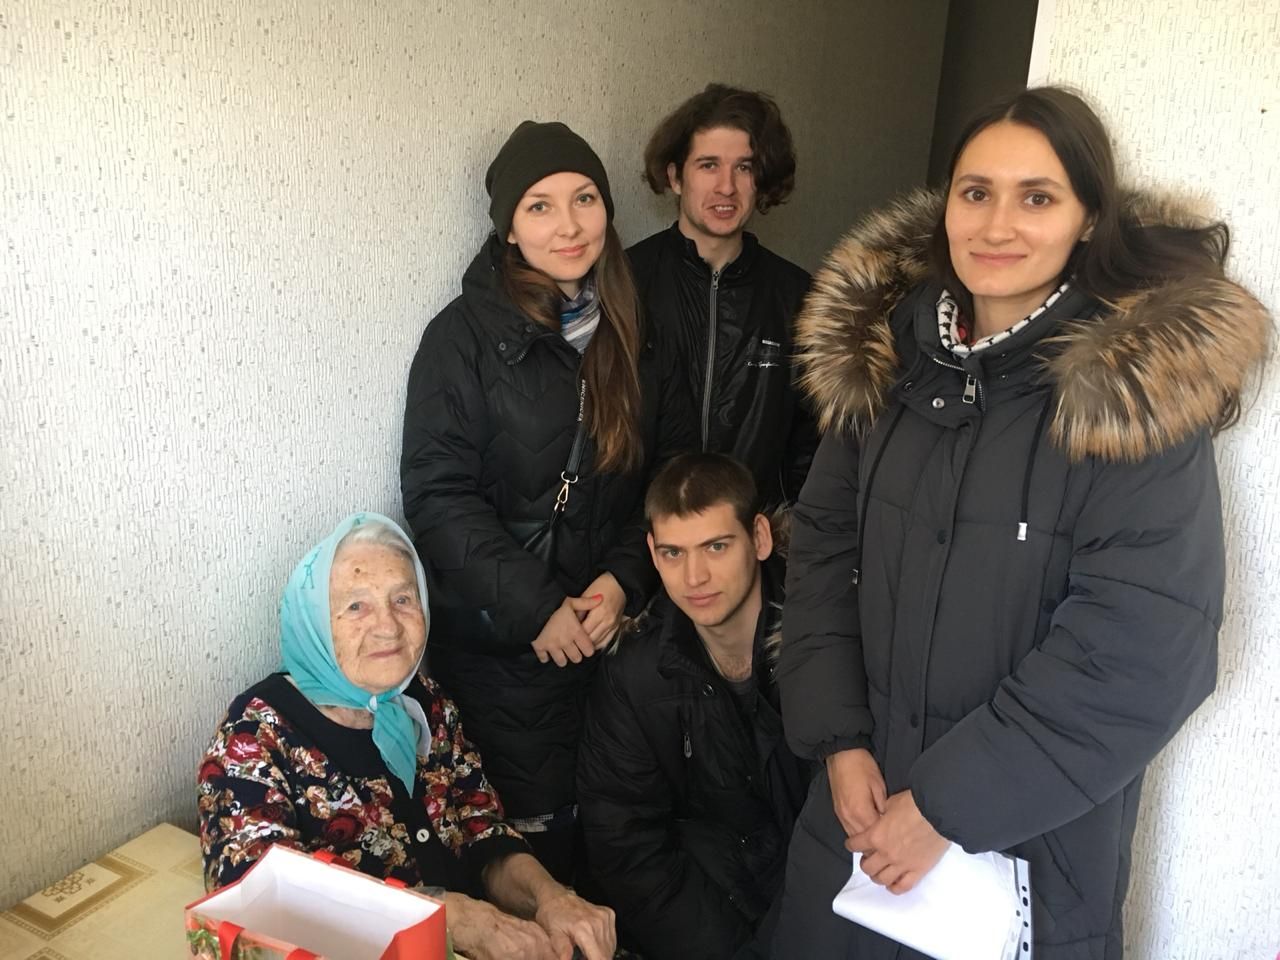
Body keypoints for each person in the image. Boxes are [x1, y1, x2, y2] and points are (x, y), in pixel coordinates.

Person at [771, 86, 1271, 959]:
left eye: (1037, 197)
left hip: (1024, 856)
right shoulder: (888, 363)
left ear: (1088, 218)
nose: (997, 224)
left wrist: (944, 809)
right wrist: (839, 742)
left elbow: (1143, 648)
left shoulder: (1129, 398)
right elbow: (820, 552)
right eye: (976, 192)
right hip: (854, 828)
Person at [401, 121, 693, 884]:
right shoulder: (460, 339)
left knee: (617, 836)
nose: (568, 225)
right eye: (540, 206)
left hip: (612, 640)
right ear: (508, 228)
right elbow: (437, 497)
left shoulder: (635, 330)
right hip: (506, 657)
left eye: (584, 198)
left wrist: (625, 579)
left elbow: (667, 474)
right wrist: (537, 609)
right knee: (528, 861)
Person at [198, 513, 616, 960]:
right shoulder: (255, 735)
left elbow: (481, 830)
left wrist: (550, 897)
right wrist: (449, 917)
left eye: (402, 599)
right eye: (356, 606)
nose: (389, 627)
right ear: (312, 621)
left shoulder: (426, 701)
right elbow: (257, 904)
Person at [577, 453, 810, 959]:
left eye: (716, 546)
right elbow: (625, 844)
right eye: (673, 553)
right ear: (652, 554)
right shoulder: (634, 673)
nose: (695, 576)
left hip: (828, 910)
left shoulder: (823, 643)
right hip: (717, 917)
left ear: (760, 538)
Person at [629, 83, 816, 509]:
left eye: (744, 167)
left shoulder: (799, 296)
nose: (727, 187)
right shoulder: (626, 281)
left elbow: (813, 444)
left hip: (754, 533)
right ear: (675, 177)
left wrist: (788, 530)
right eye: (709, 165)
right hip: (643, 534)